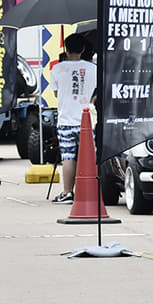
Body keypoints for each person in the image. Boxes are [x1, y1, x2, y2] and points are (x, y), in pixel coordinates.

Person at [49, 33, 96, 203]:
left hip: (66, 120)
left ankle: (68, 192)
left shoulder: (57, 69)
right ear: (83, 49)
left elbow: (56, 93)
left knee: (68, 157)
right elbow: (95, 94)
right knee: (91, 157)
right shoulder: (93, 68)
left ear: (66, 50)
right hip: (88, 121)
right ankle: (93, 191)